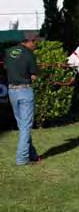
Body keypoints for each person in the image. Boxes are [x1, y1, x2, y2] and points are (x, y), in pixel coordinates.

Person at [4, 32, 41, 166]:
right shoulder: (29, 55)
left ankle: (32, 154)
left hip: (12, 91)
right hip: (24, 91)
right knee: (26, 126)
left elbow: (7, 67)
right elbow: (34, 76)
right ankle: (22, 158)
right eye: (36, 42)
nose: (37, 44)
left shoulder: (8, 52)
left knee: (22, 125)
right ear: (29, 41)